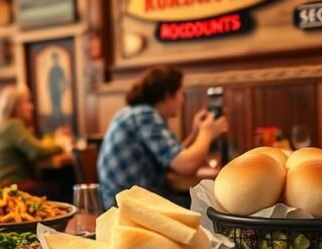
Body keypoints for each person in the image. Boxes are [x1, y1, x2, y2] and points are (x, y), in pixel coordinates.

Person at [97, 65, 229, 209]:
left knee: (203, 202)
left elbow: (172, 161)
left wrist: (195, 134)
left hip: (130, 200)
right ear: (168, 95)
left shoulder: (134, 112)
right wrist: (207, 133)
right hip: (127, 206)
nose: (183, 100)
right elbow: (186, 165)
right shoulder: (145, 115)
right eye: (181, 93)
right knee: (210, 207)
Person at [0, 85, 70, 199]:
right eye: (27, 103)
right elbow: (37, 150)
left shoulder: (4, 127)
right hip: (6, 189)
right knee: (63, 188)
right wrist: (61, 145)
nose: (32, 107)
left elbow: (35, 146)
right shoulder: (13, 125)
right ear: (15, 106)